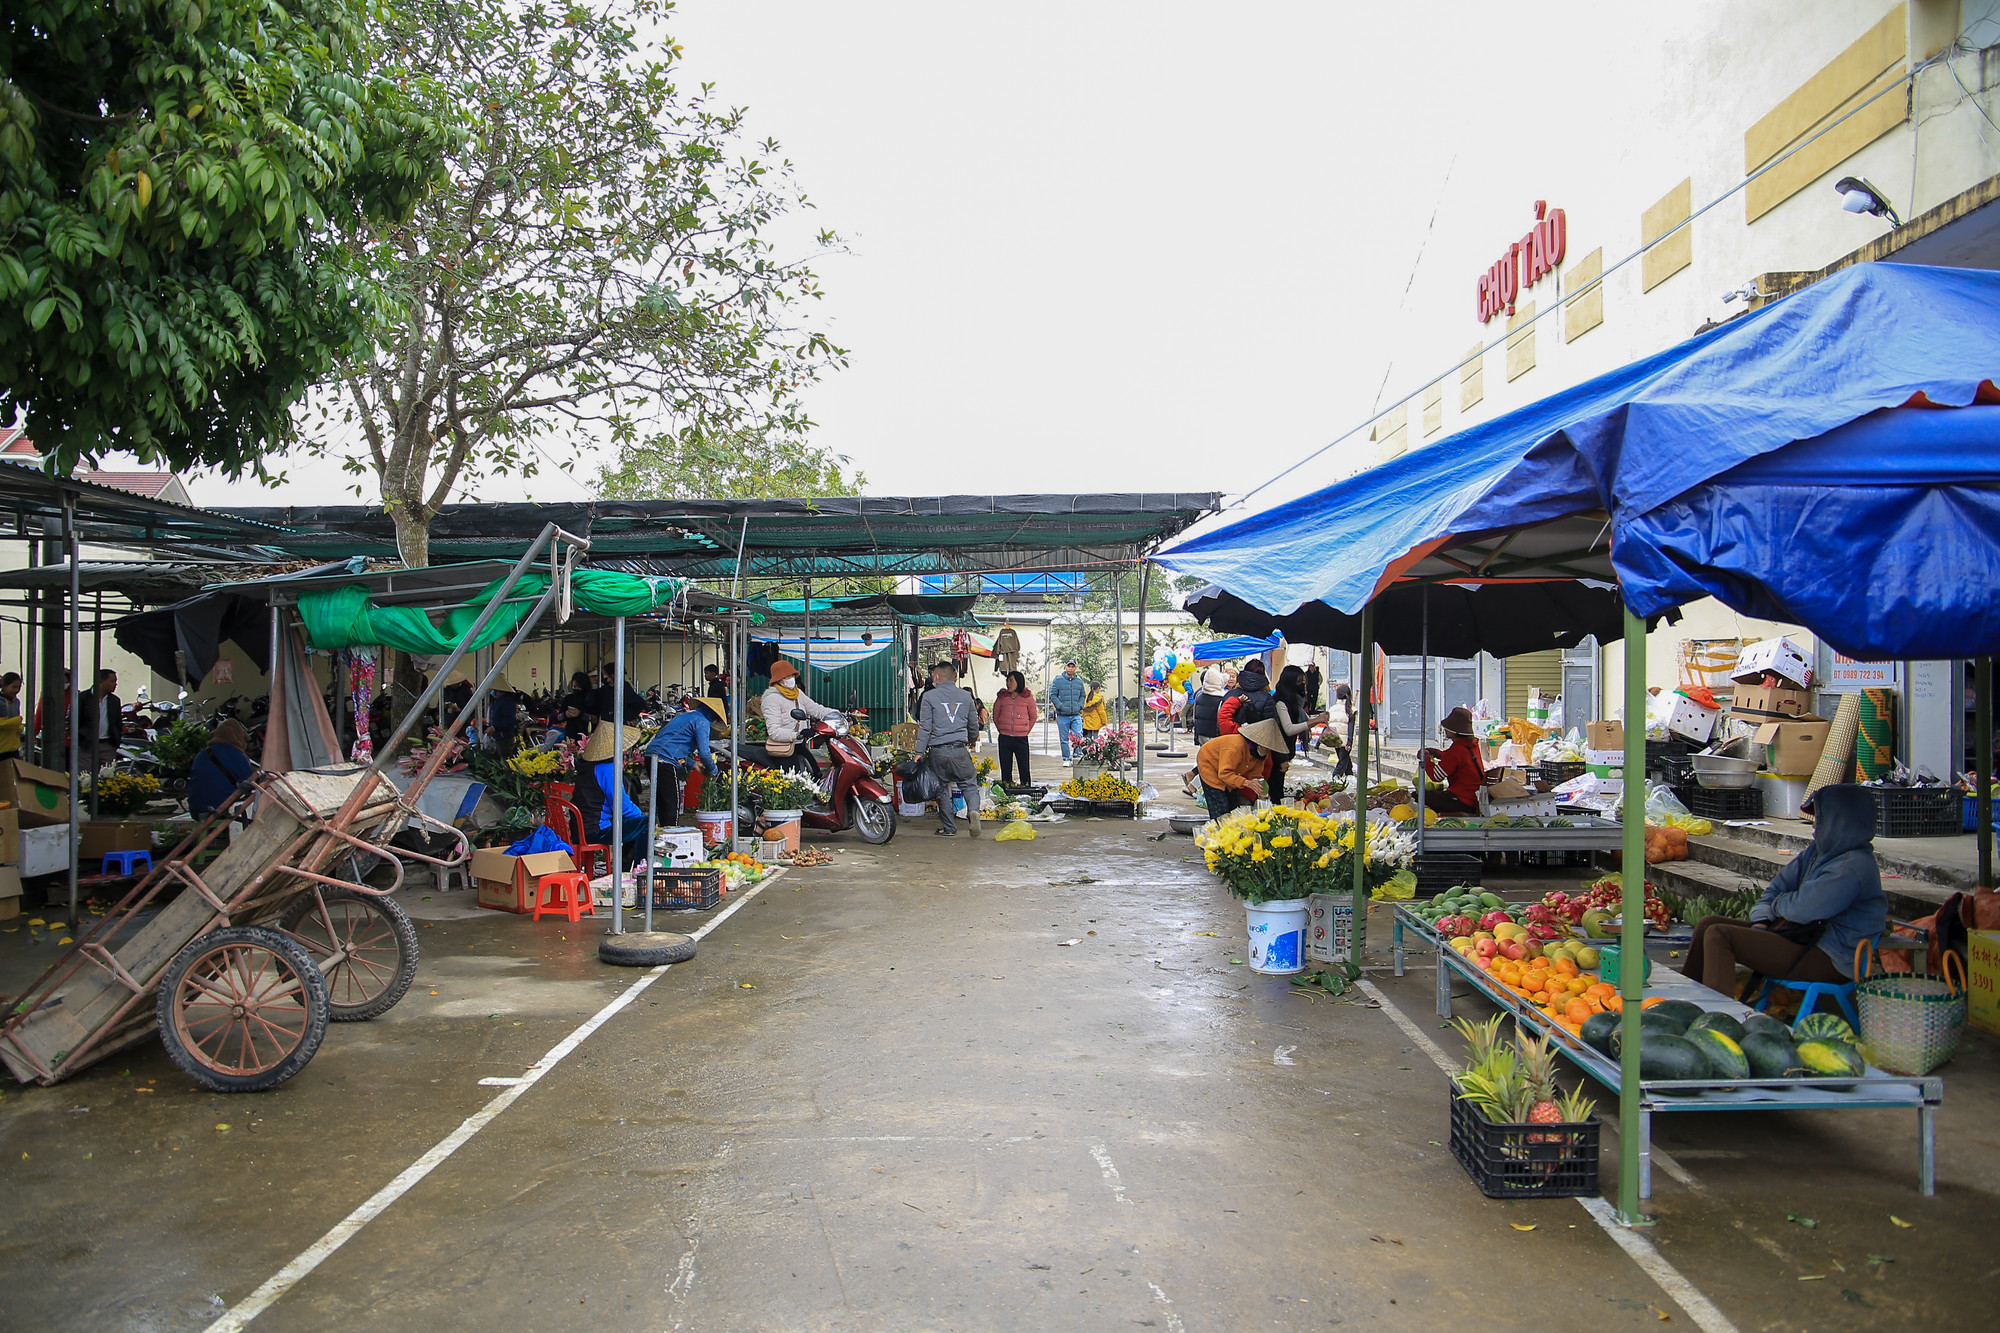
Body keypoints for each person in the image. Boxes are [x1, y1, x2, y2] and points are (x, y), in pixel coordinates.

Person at [1681, 784, 1888, 998]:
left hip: (1830, 959)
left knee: (1719, 935)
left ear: (1839, 822)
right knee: (1708, 924)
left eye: (1820, 817)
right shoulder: (1817, 852)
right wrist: (1762, 919)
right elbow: (1777, 887)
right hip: (1798, 936)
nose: (1814, 824)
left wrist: (1778, 905)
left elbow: (1803, 909)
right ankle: (1686, 1003)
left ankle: (1719, 1012)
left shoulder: (1853, 867)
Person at [915, 661, 982, 837]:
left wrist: (919, 752)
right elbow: (973, 724)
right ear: (954, 677)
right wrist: (972, 739)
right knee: (969, 784)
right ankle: (973, 811)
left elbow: (925, 727)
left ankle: (949, 828)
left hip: (938, 751)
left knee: (941, 788)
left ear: (936, 677)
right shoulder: (966, 696)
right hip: (959, 749)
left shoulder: (929, 697)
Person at [572, 719, 647, 873]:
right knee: (646, 824)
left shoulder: (587, 767)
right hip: (595, 830)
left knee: (635, 824)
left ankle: (625, 868)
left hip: (580, 828)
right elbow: (622, 806)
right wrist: (642, 817)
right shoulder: (607, 769)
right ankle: (638, 871)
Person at [1195, 718, 1288, 822]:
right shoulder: (1236, 746)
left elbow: (1256, 775)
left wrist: (1262, 792)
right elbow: (1224, 774)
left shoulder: (1260, 754)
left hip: (1230, 770)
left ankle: (1232, 829)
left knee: (1234, 807)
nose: (1268, 751)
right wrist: (1246, 783)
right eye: (1266, 747)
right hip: (1210, 764)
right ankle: (1219, 829)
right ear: (1258, 743)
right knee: (1221, 808)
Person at [759, 659, 839, 776]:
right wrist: (797, 734)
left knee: (816, 774)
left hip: (799, 745)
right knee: (796, 780)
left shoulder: (797, 693)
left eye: (792, 675)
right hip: (783, 748)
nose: (791, 678)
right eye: (787, 676)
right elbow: (774, 731)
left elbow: (816, 709)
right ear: (779, 679)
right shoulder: (771, 699)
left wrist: (839, 715)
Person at [645, 697, 718, 825]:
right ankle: (670, 832)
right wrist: (713, 771)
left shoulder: (685, 716)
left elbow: (673, 742)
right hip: (665, 760)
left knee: (662, 801)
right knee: (672, 802)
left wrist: (693, 763)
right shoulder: (702, 722)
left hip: (650, 756)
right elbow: (704, 754)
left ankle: (662, 831)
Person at [1267, 665, 1329, 800]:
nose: (1302, 686)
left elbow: (1303, 723)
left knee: (1278, 789)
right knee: (1275, 792)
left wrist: (1319, 720)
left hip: (1286, 752)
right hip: (1278, 754)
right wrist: (1315, 721)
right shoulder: (1280, 702)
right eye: (1299, 682)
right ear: (1290, 682)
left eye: (1303, 682)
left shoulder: (1295, 704)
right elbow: (1289, 729)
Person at [1420, 706, 1491, 815]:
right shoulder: (1471, 745)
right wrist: (1437, 753)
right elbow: (1454, 760)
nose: (1445, 729)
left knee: (1418, 796)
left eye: (1448, 728)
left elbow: (1436, 776)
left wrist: (1426, 759)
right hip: (1473, 798)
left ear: (1455, 731)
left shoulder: (1457, 749)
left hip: (1463, 800)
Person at [188, 718, 257, 817]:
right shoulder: (237, 755)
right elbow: (250, 782)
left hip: (196, 810)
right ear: (239, 738)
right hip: (222, 809)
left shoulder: (202, 754)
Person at [991, 670, 1038, 786]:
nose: (1009, 684)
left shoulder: (1027, 698)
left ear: (1019, 682)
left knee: (1024, 765)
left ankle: (1025, 785)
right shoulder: (1002, 697)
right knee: (1005, 765)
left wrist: (1025, 730)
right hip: (1005, 737)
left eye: (1012, 681)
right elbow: (995, 716)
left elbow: (1033, 716)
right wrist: (1002, 729)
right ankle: (1007, 785)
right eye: (1008, 681)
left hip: (1021, 738)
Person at [83, 668, 122, 783]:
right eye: (112, 681)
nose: (115, 684)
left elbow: (117, 722)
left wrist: (115, 740)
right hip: (86, 745)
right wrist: (80, 739)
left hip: (107, 745)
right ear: (100, 682)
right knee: (84, 778)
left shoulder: (114, 700)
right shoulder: (83, 698)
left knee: (108, 778)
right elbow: (71, 720)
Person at [1216, 660, 1272, 735]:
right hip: (1256, 740)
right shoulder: (1267, 698)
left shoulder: (1229, 695)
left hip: (1231, 740)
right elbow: (1272, 728)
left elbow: (1220, 723)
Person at [1046, 660, 1087, 763]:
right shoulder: (1058, 680)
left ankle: (1077, 754)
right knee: (1064, 738)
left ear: (1075, 668)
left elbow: (1082, 695)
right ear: (1065, 667)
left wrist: (1080, 706)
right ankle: (1066, 758)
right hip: (1062, 715)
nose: (1070, 668)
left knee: (1078, 735)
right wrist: (1060, 706)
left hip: (1076, 714)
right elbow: (1053, 695)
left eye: (1073, 666)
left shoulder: (1079, 681)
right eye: (1069, 666)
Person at [0, 671, 21, 761]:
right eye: (14, 687)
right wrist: (16, 721)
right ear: (4, 686)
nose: (16, 690)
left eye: (19, 687)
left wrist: (19, 727)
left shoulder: (16, 702)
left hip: (13, 748)